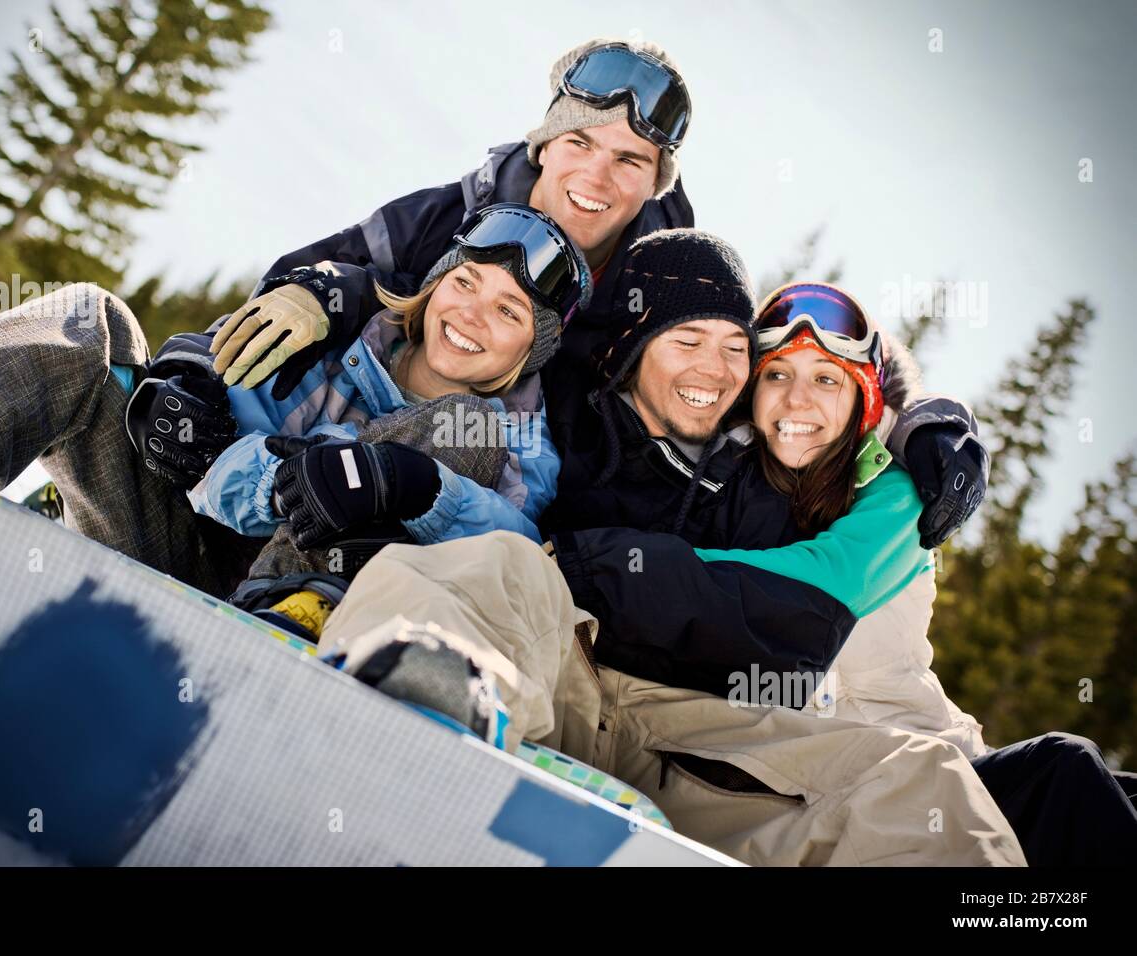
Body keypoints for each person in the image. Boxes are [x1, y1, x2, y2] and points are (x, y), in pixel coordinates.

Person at [311, 229, 1025, 866]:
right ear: (629, 346)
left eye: (735, 350)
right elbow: (457, 308)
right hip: (550, 664)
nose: (714, 371)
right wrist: (324, 289)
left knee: (920, 778)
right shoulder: (566, 407)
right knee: (501, 564)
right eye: (688, 342)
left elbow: (842, 432)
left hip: (688, 735)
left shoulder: (770, 468)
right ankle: (416, 707)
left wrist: (926, 424)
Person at [179, 37, 988, 553]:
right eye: (580, 143)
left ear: (654, 180)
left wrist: (919, 420)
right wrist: (320, 290)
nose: (597, 177)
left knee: (455, 433)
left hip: (499, 504)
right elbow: (322, 274)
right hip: (310, 443)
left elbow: (794, 352)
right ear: (545, 143)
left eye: (631, 161)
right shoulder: (447, 218)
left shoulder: (663, 281)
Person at [703, 280, 1137, 866]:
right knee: (1068, 769)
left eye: (826, 378)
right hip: (853, 790)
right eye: (778, 375)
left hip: (945, 763)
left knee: (1090, 781)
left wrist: (935, 422)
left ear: (863, 400)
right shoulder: (724, 485)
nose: (797, 401)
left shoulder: (899, 490)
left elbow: (836, 574)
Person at [191, 204, 589, 643]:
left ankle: (288, 601)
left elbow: (514, 555)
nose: (472, 315)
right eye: (464, 283)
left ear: (532, 349)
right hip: (208, 550)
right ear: (436, 285)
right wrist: (298, 477)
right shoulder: (339, 347)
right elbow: (209, 465)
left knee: (464, 423)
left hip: (339, 612)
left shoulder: (523, 441)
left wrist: (418, 488)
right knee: (102, 318)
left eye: (508, 311)